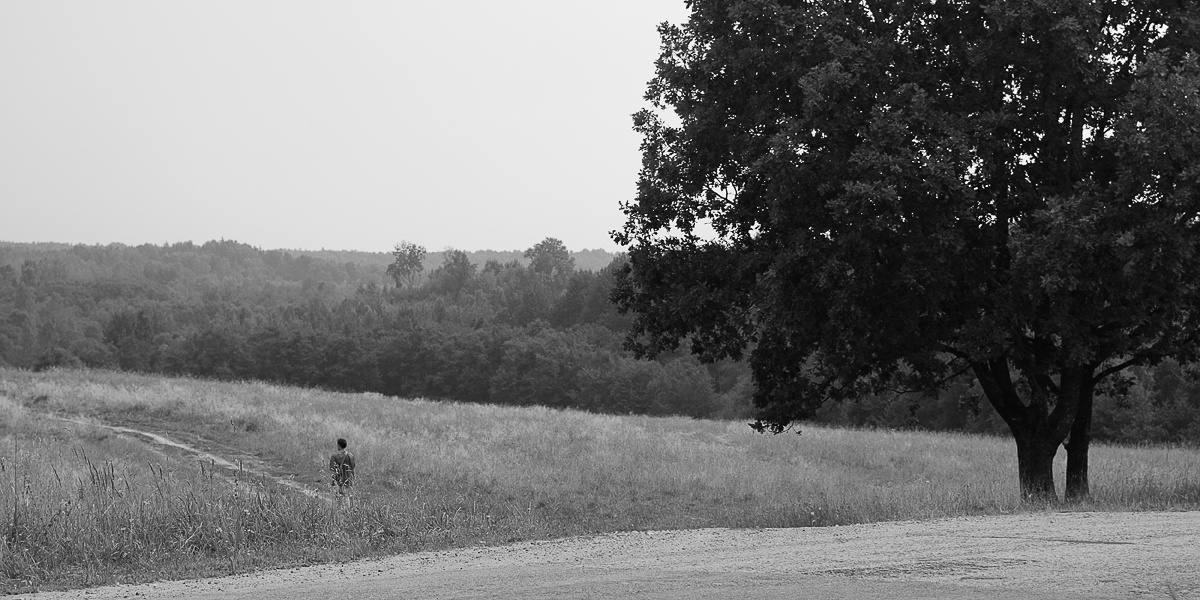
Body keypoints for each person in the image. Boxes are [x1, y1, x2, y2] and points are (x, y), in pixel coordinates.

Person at [329, 437, 356, 505]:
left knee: (338, 497)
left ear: (338, 445)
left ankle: (339, 509)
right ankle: (347, 509)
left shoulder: (334, 456)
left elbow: (332, 469)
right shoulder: (351, 455)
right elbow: (353, 467)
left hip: (338, 480)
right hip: (348, 480)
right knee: (347, 497)